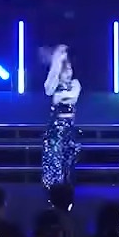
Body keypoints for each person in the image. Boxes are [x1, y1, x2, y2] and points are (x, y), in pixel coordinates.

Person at [41, 45, 82, 189]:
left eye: (70, 69)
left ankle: (67, 187)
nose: (69, 73)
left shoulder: (75, 84)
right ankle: (53, 189)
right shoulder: (54, 84)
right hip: (55, 129)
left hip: (69, 129)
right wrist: (57, 62)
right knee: (54, 160)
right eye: (65, 70)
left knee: (68, 160)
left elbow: (73, 97)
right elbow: (50, 92)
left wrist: (61, 96)